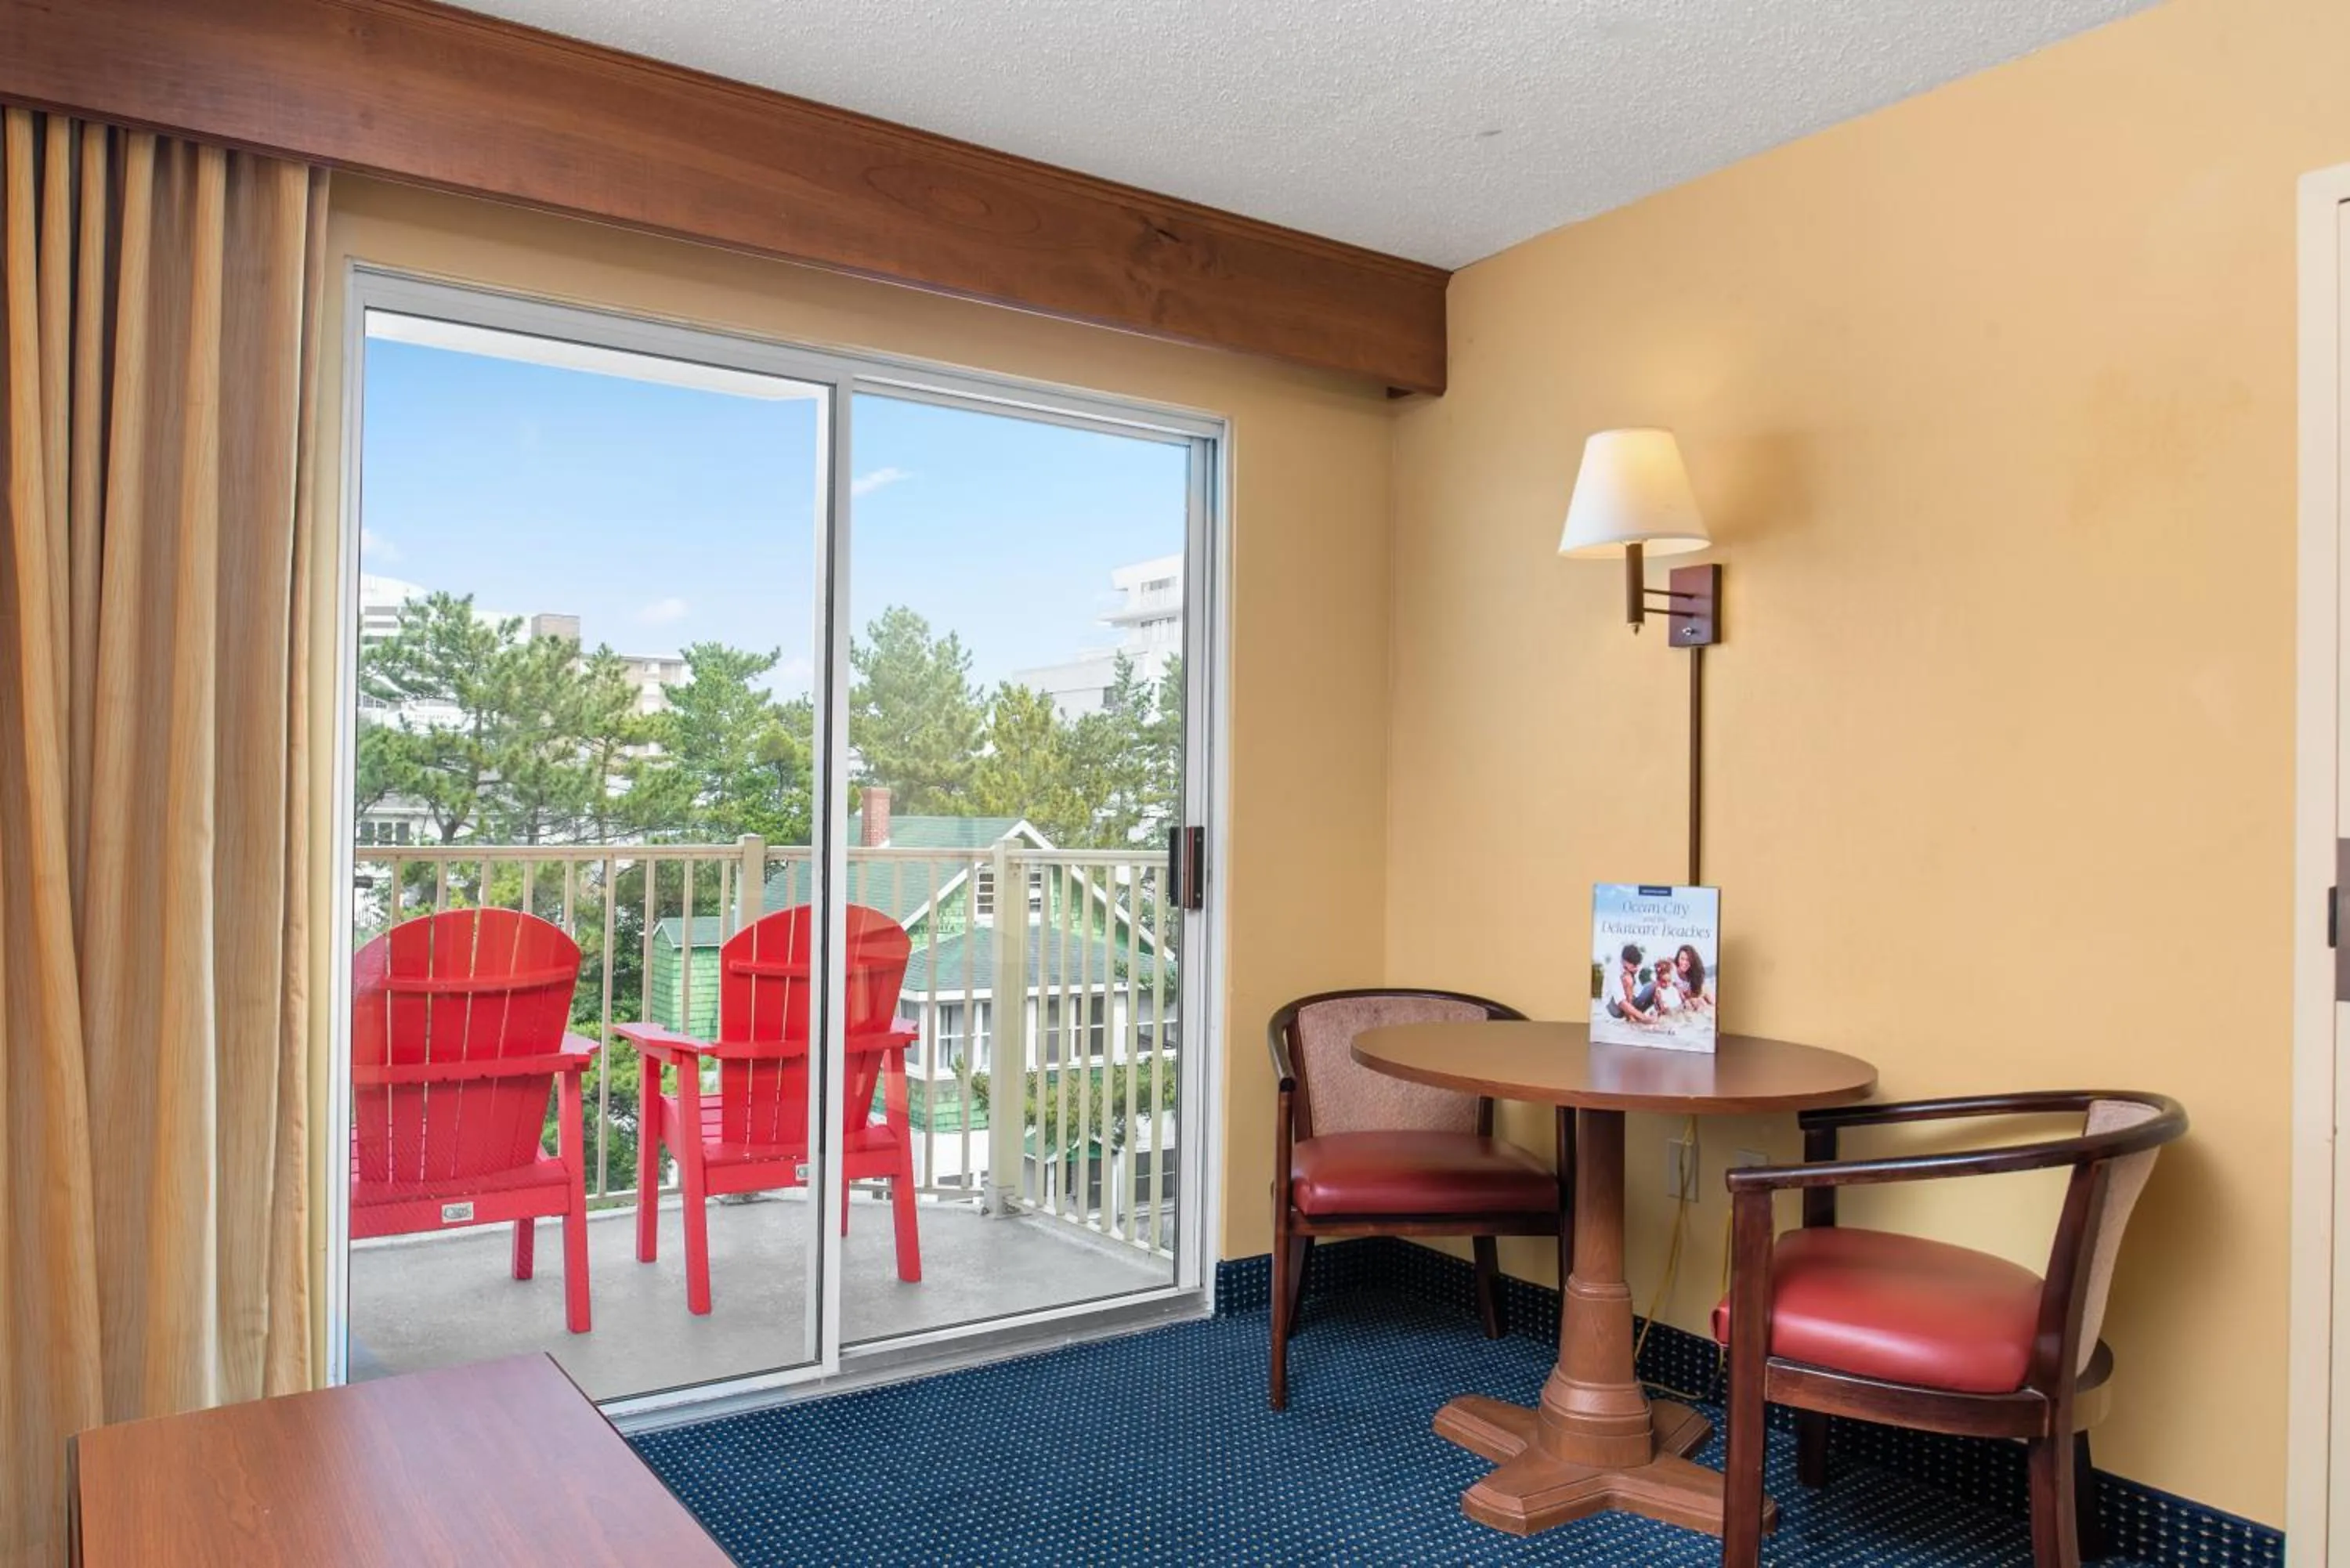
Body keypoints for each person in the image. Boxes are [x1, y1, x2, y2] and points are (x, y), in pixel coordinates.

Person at [1606, 943, 1657, 1024]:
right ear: (1624, 961)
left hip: (1633, 999)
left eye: (1636, 966)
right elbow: (1620, 1001)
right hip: (1615, 1007)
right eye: (1633, 967)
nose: (1636, 968)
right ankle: (1630, 1018)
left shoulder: (1636, 963)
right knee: (1628, 979)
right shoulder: (1614, 969)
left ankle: (1658, 1016)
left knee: (1655, 985)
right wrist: (1643, 1018)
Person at [1672, 944, 1712, 1012]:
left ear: (1692, 961)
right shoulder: (1673, 971)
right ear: (1678, 958)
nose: (1684, 962)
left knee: (1706, 993)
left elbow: (1693, 993)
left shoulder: (1691, 976)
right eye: (1682, 959)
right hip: (1677, 1000)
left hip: (1689, 997)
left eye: (1688, 960)